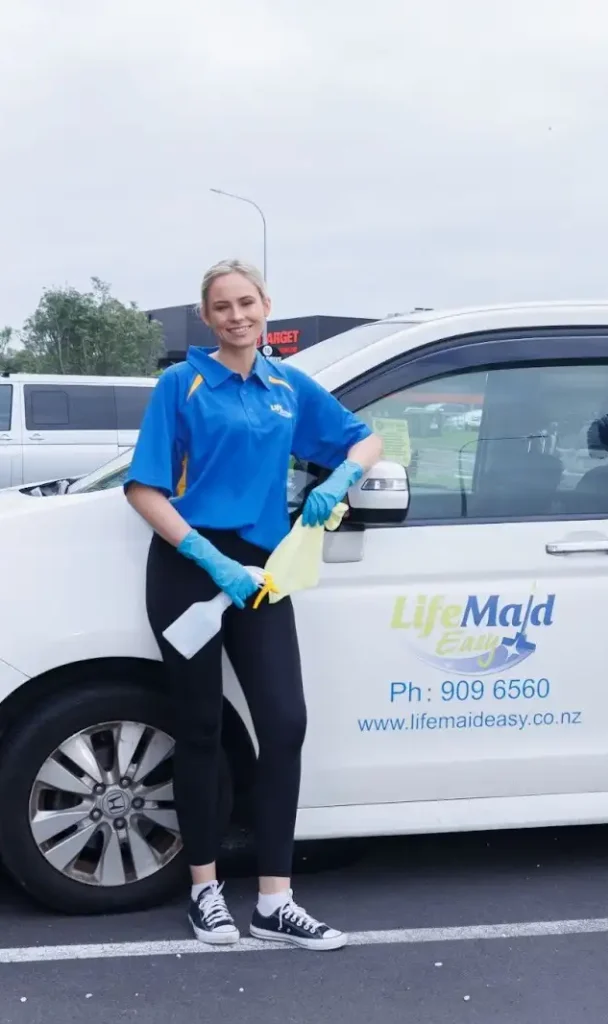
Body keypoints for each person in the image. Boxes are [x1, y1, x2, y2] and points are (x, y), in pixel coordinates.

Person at [124, 259, 382, 950]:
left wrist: (344, 476)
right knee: (201, 728)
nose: (236, 315)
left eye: (247, 302)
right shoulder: (182, 384)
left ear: (267, 305)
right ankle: (205, 890)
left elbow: (366, 436)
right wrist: (208, 560)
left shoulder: (286, 387)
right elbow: (144, 489)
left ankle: (275, 899)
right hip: (187, 570)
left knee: (285, 723)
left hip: (265, 573)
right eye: (222, 307)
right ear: (206, 319)